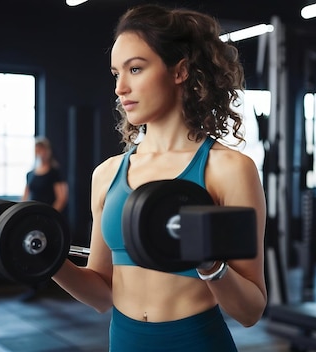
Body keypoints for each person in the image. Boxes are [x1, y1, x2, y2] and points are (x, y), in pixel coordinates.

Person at [51, 4, 267, 351]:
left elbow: (250, 310)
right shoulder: (107, 175)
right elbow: (102, 294)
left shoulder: (228, 169)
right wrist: (47, 261)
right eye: (115, 74)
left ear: (179, 71)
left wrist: (210, 263)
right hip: (125, 342)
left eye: (135, 69)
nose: (121, 87)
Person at [19, 136, 69, 301]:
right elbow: (25, 196)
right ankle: (34, 287)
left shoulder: (55, 172)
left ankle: (48, 286)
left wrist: (50, 217)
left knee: (48, 252)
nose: (40, 153)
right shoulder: (30, 174)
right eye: (37, 150)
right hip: (32, 219)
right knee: (30, 252)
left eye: (42, 150)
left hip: (48, 219)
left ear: (47, 152)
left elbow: (62, 197)